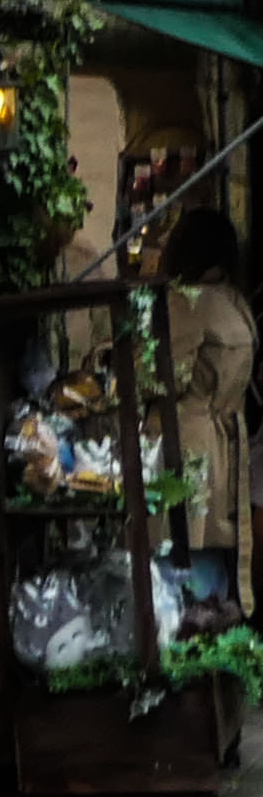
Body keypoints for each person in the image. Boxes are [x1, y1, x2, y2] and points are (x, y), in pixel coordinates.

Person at [163, 204, 257, 613]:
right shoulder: (236, 303)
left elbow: (162, 378)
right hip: (227, 440)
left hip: (189, 438)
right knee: (217, 542)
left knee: (186, 540)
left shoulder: (188, 302)